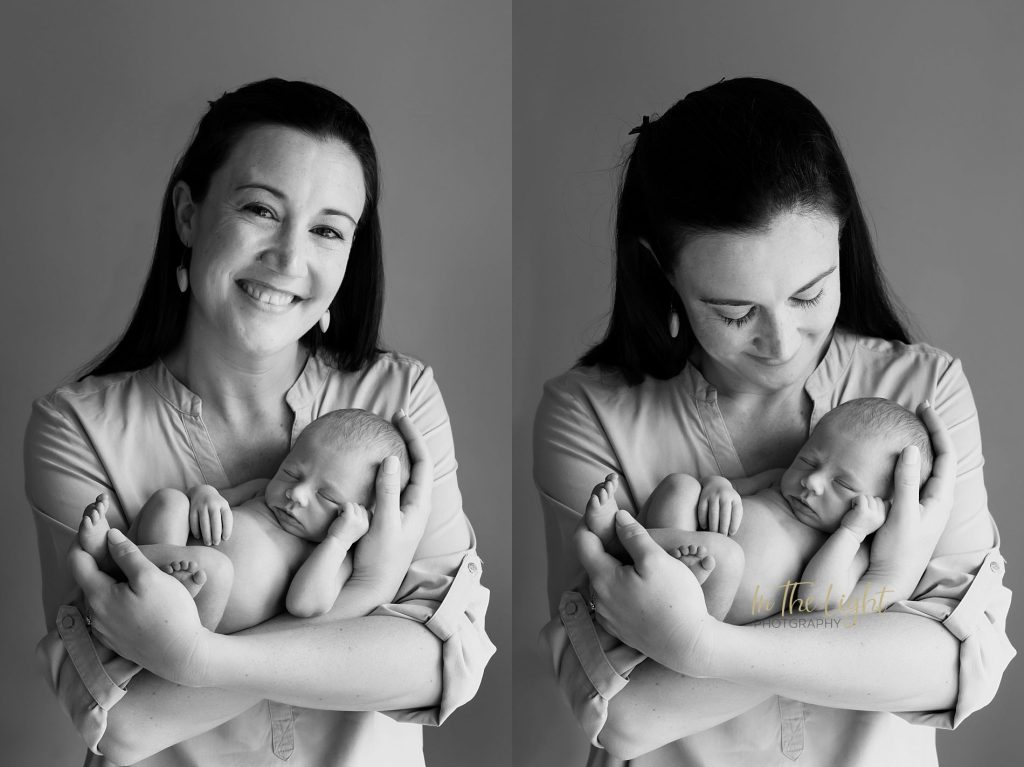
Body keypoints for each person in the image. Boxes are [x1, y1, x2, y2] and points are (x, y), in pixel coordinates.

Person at [535, 77, 1014, 766]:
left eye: (810, 293)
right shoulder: (588, 411)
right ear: (659, 273)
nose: (784, 342)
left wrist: (700, 647)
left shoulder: (919, 391)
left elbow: (952, 669)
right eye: (735, 311)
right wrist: (889, 587)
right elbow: (626, 716)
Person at [27, 78, 494, 767]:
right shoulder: (78, 426)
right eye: (259, 210)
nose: (289, 259)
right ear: (189, 215)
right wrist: (368, 593)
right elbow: (120, 721)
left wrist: (192, 656)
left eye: (328, 230)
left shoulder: (399, 399)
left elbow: (437, 664)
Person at [585, 397, 935, 623]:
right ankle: (648, 560)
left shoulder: (853, 548)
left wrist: (852, 532)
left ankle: (619, 542)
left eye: (842, 485)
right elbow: (725, 487)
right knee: (681, 485)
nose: (812, 482)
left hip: (709, 612)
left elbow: (814, 599)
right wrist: (718, 488)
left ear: (879, 509)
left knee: (725, 555)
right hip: (689, 547)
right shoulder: (778, 480)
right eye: (808, 460)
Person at [77, 409, 412, 632]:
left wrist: (339, 540)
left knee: (216, 568)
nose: (297, 493)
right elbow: (215, 499)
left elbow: (304, 603)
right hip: (171, 557)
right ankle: (131, 569)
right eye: (292, 472)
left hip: (197, 625)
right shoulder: (262, 491)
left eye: (327, 497)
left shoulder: (333, 554)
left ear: (358, 517)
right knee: (171, 500)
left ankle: (114, 559)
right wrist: (204, 495)